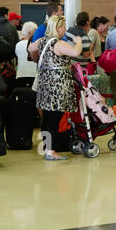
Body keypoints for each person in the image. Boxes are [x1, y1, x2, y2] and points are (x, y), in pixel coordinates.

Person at [35, 15, 83, 162]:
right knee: (54, 118)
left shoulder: (42, 41)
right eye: (62, 27)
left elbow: (31, 48)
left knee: (48, 118)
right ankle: (51, 151)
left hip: (45, 85)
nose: (64, 30)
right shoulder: (58, 43)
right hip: (57, 87)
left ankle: (47, 147)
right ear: (56, 28)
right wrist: (78, 42)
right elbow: (76, 52)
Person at [13, 21, 39, 91]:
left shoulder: (18, 45)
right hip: (33, 75)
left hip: (20, 75)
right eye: (35, 31)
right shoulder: (35, 44)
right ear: (30, 32)